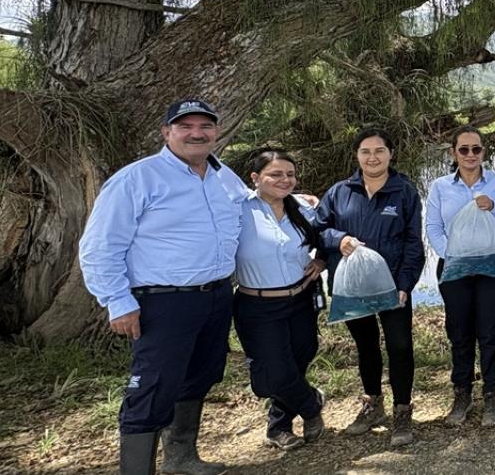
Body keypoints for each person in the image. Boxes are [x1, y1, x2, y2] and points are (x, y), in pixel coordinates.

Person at [79, 99, 248, 475]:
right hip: (162, 303)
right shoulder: (137, 179)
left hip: (217, 296)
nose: (196, 133)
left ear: (216, 132)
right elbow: (100, 245)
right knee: (152, 387)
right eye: (185, 126)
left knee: (200, 375)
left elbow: (250, 211)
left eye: (205, 126)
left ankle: (181, 457)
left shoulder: (225, 177)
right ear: (166, 132)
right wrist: (117, 301)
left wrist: (297, 204)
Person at [315, 128, 424, 447]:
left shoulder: (404, 191)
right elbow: (318, 231)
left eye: (379, 151)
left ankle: (402, 410)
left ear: (390, 154)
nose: (372, 157)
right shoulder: (339, 192)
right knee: (366, 346)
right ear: (357, 155)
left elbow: (413, 242)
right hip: (352, 285)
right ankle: (373, 404)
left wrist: (405, 283)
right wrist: (339, 239)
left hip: (391, 285)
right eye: (365, 151)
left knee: (400, 346)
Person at [232, 149, 328, 451]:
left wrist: (322, 260)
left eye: (290, 174)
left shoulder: (303, 207)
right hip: (257, 305)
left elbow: (329, 233)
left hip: (301, 298)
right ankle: (312, 404)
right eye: (275, 174)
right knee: (271, 374)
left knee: (298, 359)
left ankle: (278, 427)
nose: (284, 180)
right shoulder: (237, 209)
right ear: (255, 178)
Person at [424, 127, 495, 427]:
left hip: (493, 263)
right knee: (459, 331)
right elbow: (433, 227)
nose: (470, 155)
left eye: (476, 149)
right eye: (463, 150)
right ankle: (462, 393)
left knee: (490, 330)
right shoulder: (440, 187)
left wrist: (493, 206)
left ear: (483, 152)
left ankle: (492, 394)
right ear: (453, 153)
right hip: (454, 267)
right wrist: (450, 256)